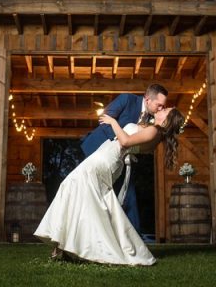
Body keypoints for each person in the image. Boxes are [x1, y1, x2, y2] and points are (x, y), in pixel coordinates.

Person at [34, 106, 185, 266]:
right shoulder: (153, 132)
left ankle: (71, 246)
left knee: (73, 187)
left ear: (166, 119)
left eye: (166, 110)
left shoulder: (155, 132)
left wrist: (113, 122)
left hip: (107, 159)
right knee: (76, 192)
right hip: (108, 156)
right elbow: (132, 144)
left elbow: (126, 141)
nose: (162, 108)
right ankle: (63, 246)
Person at [79, 84, 168, 234]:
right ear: (147, 99)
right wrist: (119, 141)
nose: (160, 109)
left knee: (127, 195)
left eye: (163, 106)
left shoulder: (154, 121)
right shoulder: (127, 99)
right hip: (97, 150)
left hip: (121, 160)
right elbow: (104, 120)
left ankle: (132, 237)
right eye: (159, 105)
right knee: (89, 193)